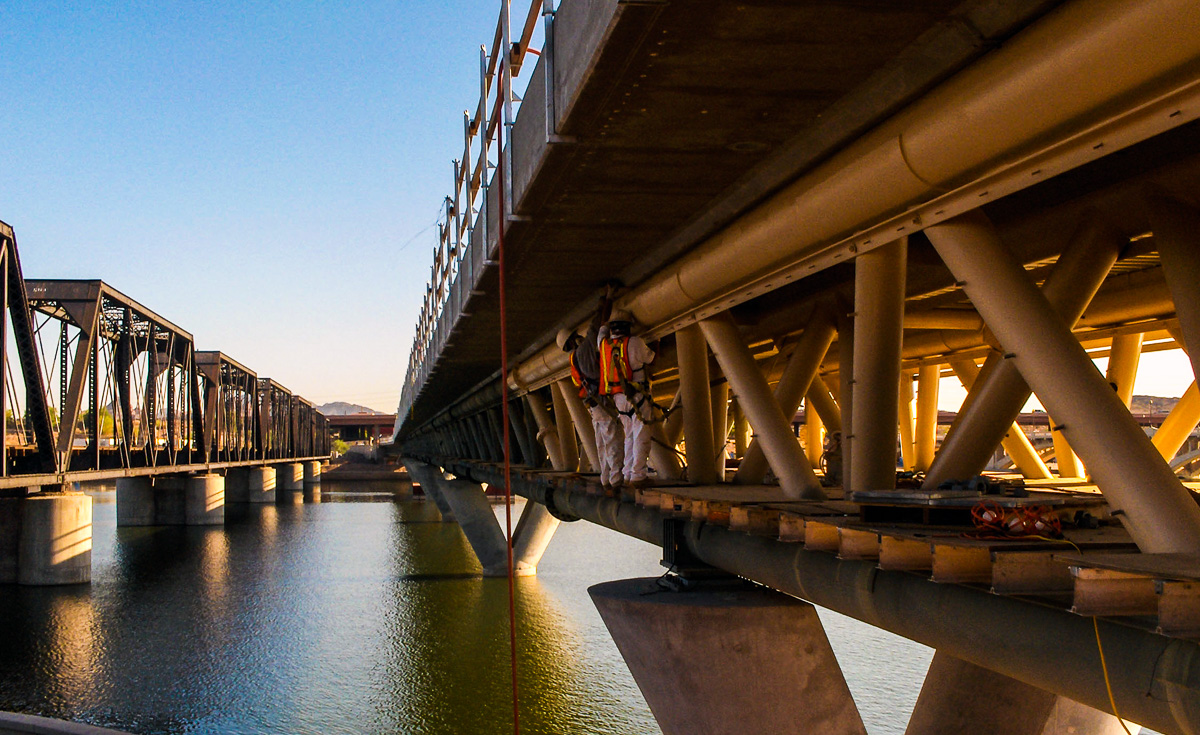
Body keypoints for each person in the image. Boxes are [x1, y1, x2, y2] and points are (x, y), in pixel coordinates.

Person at [556, 291, 623, 490]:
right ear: (573, 339)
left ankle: (606, 478)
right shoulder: (584, 350)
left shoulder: (573, 360)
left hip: (594, 405)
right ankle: (616, 479)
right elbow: (597, 326)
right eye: (576, 336)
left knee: (602, 442)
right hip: (601, 402)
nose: (579, 337)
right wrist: (606, 302)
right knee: (613, 439)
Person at [598, 309, 656, 488]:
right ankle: (638, 476)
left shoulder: (603, 345)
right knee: (641, 434)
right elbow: (651, 359)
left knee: (629, 436)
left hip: (618, 398)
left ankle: (628, 474)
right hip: (637, 395)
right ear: (628, 327)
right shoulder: (635, 342)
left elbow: (601, 330)